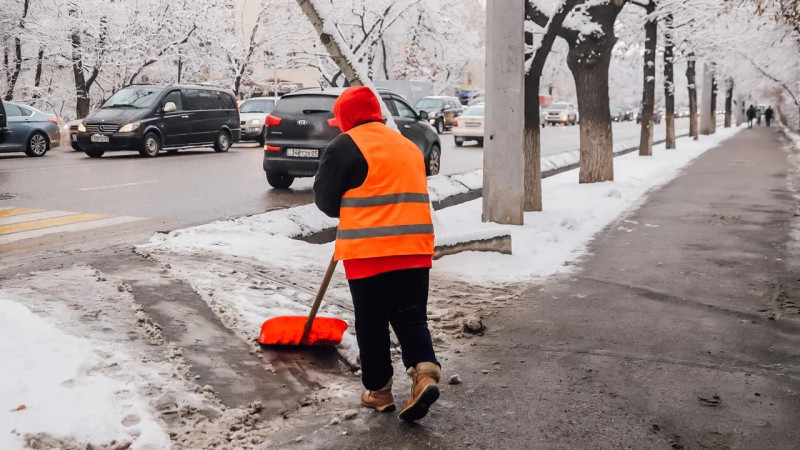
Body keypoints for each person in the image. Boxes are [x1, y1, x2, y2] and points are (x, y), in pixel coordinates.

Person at [314, 86, 440, 422]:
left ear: (347, 119)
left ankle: (379, 392)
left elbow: (326, 202)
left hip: (369, 253)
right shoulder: (407, 144)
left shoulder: (345, 145)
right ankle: (424, 375)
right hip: (415, 250)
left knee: (371, 324)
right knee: (411, 317)